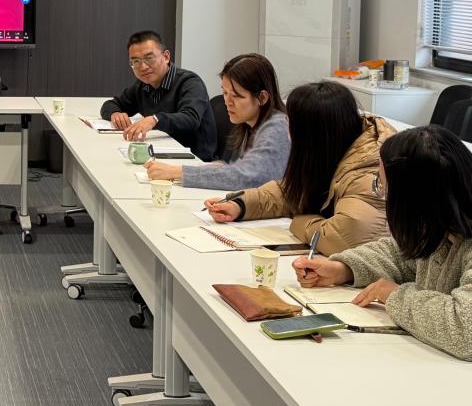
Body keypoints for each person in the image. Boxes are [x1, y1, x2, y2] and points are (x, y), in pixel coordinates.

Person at [292, 125, 472, 361]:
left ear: (415, 199)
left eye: (385, 189)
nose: (383, 198)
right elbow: (400, 254)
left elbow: (465, 328)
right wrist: (343, 269)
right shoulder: (441, 226)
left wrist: (395, 295)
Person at [204, 80, 394, 255]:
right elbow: (292, 191)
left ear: (311, 132)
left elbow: (341, 239)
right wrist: (241, 205)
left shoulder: (369, 169)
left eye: (290, 122)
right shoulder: (334, 147)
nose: (286, 127)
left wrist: (300, 221)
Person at [145, 53, 288, 189]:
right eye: (225, 93)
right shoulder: (249, 125)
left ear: (262, 97)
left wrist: (177, 172)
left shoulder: (278, 128)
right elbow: (237, 168)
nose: (228, 102)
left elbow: (247, 177)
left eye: (236, 96)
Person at [100, 30, 217, 160]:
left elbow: (190, 118)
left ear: (166, 57)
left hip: (193, 158)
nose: (143, 67)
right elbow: (111, 104)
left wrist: (155, 120)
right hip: (159, 150)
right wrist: (115, 113)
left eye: (149, 58)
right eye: (136, 61)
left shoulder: (190, 82)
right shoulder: (142, 85)